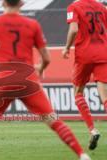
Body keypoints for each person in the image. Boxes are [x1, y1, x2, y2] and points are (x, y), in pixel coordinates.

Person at [0, 0, 91, 160]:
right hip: (28, 79)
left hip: (3, 79)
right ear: (21, 4)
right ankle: (82, 155)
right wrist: (40, 69)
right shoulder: (32, 24)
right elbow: (47, 58)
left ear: (3, 3)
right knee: (53, 120)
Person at [62, 0, 107, 150]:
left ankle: (92, 130)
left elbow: (74, 29)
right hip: (103, 54)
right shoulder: (101, 7)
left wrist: (67, 47)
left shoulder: (74, 7)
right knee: (105, 97)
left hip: (85, 55)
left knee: (78, 92)